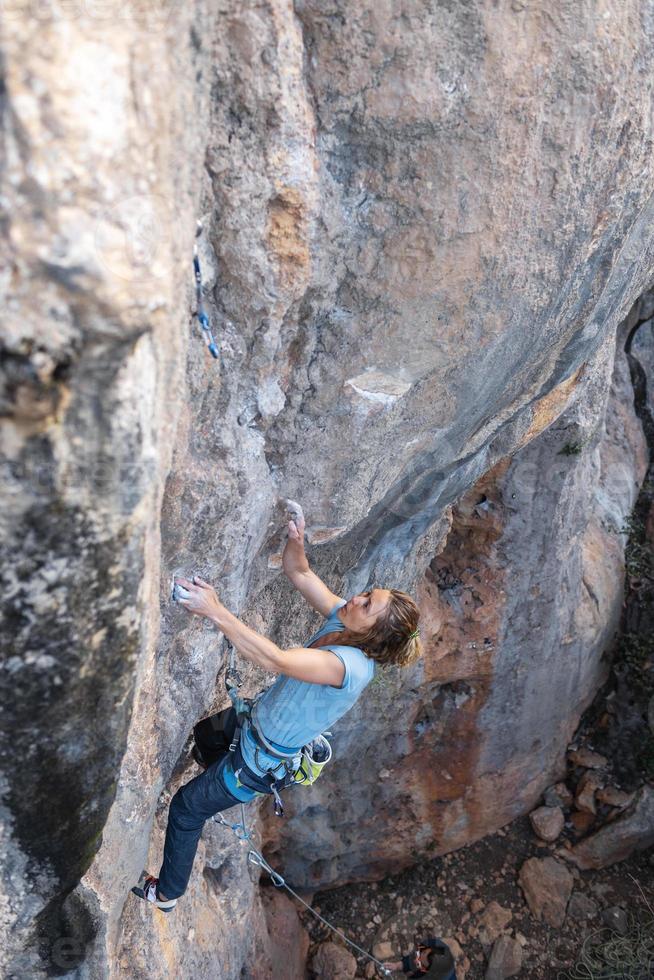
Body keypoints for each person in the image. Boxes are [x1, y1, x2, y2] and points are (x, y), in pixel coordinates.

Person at [132, 504, 422, 912]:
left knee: (185, 808)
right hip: (252, 729)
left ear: (373, 632)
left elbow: (277, 661)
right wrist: (296, 540)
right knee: (201, 738)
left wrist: (214, 610)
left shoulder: (348, 666)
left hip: (254, 763)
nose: (357, 597)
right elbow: (300, 574)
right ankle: (210, 782)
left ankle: (167, 893)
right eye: (368, 593)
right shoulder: (346, 621)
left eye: (367, 603)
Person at [383, 937, 456, 979]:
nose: (415, 960)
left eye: (421, 964)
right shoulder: (430, 944)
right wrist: (396, 966)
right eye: (422, 953)